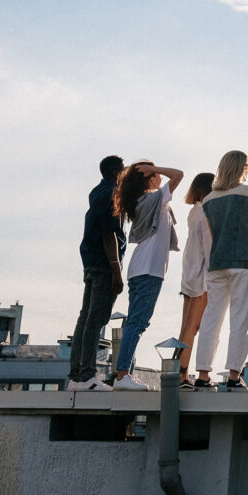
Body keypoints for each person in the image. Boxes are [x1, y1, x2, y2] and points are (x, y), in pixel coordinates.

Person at [192, 151, 248, 391]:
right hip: (244, 262)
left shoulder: (209, 200)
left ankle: (203, 375)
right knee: (240, 319)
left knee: (211, 319)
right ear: (241, 168)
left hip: (217, 263)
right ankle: (234, 377)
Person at [112, 161, 184, 391]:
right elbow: (179, 174)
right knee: (138, 322)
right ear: (148, 178)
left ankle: (126, 373)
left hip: (140, 267)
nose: (159, 177)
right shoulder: (154, 199)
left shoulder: (143, 201)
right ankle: (123, 375)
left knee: (135, 322)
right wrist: (158, 168)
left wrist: (153, 171)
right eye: (154, 174)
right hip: (149, 268)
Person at [67, 155, 126, 392]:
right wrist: (116, 270)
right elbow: (109, 233)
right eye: (122, 171)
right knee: (96, 319)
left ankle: (76, 376)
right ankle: (88, 376)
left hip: (91, 262)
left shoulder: (96, 192)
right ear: (115, 173)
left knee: (85, 318)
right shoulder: (112, 193)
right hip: (104, 264)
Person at [177, 172, 215, 390]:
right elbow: (209, 250)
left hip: (189, 275)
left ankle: (180, 372)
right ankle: (182, 376)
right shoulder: (205, 214)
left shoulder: (193, 212)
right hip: (202, 277)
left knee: (187, 327)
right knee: (193, 328)